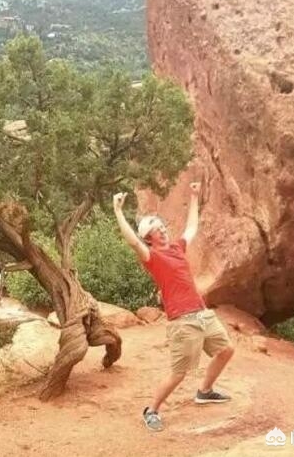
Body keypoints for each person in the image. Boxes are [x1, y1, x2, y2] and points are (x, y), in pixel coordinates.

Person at [113, 181, 234, 432]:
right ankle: (152, 410)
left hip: (202, 313)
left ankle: (205, 391)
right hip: (183, 321)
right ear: (149, 238)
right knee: (179, 373)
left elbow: (192, 227)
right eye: (157, 230)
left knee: (226, 351)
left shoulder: (178, 248)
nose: (163, 231)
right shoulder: (152, 257)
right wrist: (118, 212)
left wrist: (193, 196)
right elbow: (133, 242)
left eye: (162, 227)